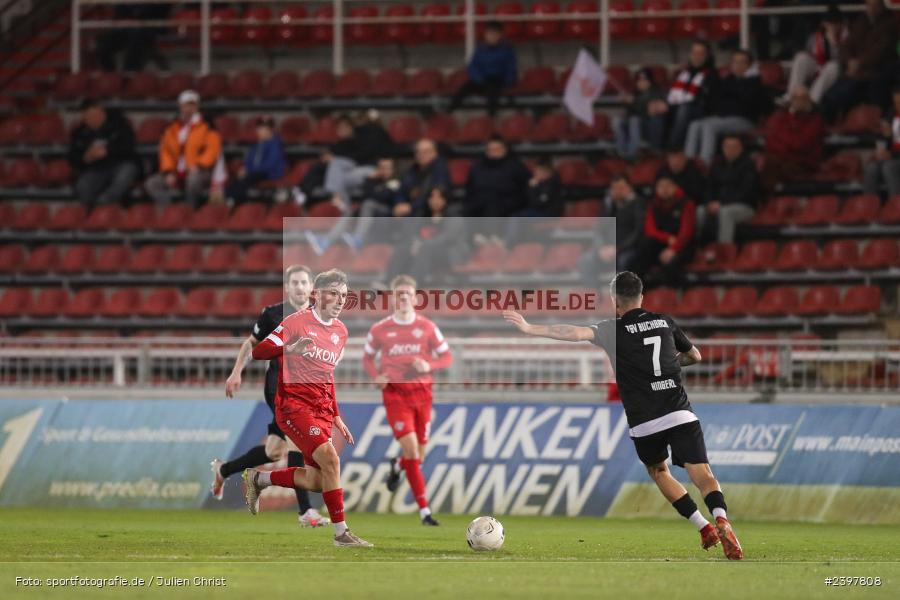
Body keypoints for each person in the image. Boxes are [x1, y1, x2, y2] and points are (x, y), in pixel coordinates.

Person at [502, 271, 743, 561]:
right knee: (703, 474)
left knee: (659, 471)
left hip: (645, 421)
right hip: (679, 412)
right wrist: (673, 365)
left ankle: (702, 527)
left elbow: (574, 333)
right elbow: (696, 356)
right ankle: (720, 518)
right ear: (642, 296)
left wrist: (530, 329)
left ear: (615, 301)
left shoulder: (611, 329)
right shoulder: (665, 322)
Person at [244, 269, 373, 548]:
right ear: (317, 294)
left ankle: (259, 478)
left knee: (317, 480)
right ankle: (342, 534)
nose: (340, 300)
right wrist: (289, 349)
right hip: (293, 406)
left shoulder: (341, 331)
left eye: (344, 295)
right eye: (334, 294)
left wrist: (336, 414)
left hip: (322, 409)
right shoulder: (295, 323)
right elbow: (259, 351)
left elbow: (328, 375)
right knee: (331, 460)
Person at [211, 265, 329, 528]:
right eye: (294, 283)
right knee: (298, 441)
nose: (299, 287)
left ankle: (224, 470)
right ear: (287, 288)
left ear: (312, 288)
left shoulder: (319, 316)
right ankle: (305, 511)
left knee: (274, 451)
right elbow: (251, 344)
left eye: (303, 282)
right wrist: (236, 372)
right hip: (278, 388)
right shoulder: (273, 314)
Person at [363, 275, 453, 526]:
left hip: (423, 397)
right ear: (393, 298)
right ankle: (425, 512)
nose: (403, 298)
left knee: (418, 457)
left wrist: (429, 364)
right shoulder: (380, 329)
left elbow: (447, 357)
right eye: (399, 294)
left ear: (415, 298)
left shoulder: (427, 327)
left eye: (407, 294)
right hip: (396, 396)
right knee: (413, 451)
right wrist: (376, 376)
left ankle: (397, 465)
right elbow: (367, 358)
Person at [685, 49, 769, 167]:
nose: (738, 65)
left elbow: (745, 104)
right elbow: (717, 102)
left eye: (742, 62)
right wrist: (731, 100)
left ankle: (704, 165)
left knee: (709, 126)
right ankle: (688, 164)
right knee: (694, 125)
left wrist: (731, 100)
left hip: (744, 120)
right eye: (735, 62)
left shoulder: (754, 82)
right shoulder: (727, 80)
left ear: (749, 65)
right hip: (723, 117)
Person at [821, 0, 898, 123]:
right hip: (855, 71)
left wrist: (859, 63)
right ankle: (827, 124)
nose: (872, 8)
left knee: (845, 91)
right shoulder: (860, 22)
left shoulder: (890, 24)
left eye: (875, 5)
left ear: (882, 6)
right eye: (869, 5)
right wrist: (850, 61)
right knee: (831, 94)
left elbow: (880, 50)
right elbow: (847, 45)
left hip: (873, 71)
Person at [144, 90, 223, 207]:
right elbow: (166, 151)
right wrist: (168, 172)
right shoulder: (172, 128)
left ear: (197, 106)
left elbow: (212, 149)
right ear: (180, 106)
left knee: (193, 180)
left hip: (199, 171)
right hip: (176, 171)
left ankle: (189, 211)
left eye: (192, 104)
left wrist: (199, 166)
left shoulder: (207, 125)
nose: (188, 108)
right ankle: (166, 211)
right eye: (186, 104)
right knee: (151, 183)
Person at [381, 187, 468, 286]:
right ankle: (390, 283)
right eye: (432, 197)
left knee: (425, 248)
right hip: (426, 251)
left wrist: (423, 244)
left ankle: (412, 285)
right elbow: (415, 234)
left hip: (449, 253)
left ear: (445, 199)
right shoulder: (424, 216)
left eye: (438, 197)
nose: (434, 201)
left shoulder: (454, 216)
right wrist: (415, 244)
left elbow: (448, 238)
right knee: (403, 248)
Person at [68, 98, 139, 207]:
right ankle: (91, 212)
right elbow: (73, 156)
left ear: (101, 111)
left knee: (125, 174)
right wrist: (86, 157)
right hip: (96, 168)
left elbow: (129, 146)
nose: (90, 120)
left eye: (93, 115)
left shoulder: (119, 125)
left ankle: (103, 205)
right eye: (87, 117)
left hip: (121, 163)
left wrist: (107, 151)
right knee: (83, 185)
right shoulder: (80, 133)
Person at [578, 173, 644, 285]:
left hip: (627, 248)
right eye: (614, 188)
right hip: (607, 248)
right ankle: (596, 293)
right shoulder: (608, 205)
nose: (617, 191)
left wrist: (618, 248)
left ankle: (622, 296)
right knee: (585, 260)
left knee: (623, 261)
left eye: (621, 188)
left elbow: (637, 232)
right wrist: (601, 247)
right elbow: (599, 229)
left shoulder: (638, 203)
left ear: (629, 188)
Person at [464, 135, 531, 243]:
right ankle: (472, 240)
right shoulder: (477, 166)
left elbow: (525, 189)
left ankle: (492, 236)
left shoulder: (516, 166)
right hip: (480, 202)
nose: (494, 152)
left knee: (492, 201)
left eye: (497, 149)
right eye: (491, 150)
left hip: (508, 202)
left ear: (505, 149)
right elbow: (470, 189)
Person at [760, 86, 826, 194]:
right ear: (791, 100)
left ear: (809, 99)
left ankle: (766, 201)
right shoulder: (780, 116)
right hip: (781, 160)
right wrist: (788, 141)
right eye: (796, 98)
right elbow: (769, 142)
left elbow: (801, 144)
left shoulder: (815, 120)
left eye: (803, 98)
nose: (799, 101)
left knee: (771, 165)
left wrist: (781, 137)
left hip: (803, 163)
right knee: (764, 164)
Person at [632, 175, 696, 286]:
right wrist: (667, 238)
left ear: (675, 187)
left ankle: (672, 294)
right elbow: (650, 230)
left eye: (668, 185)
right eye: (661, 186)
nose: (664, 189)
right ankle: (638, 289)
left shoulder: (686, 204)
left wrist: (673, 249)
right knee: (644, 245)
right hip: (663, 244)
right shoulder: (653, 204)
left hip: (682, 245)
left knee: (672, 264)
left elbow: (686, 233)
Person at [701, 135, 761, 244]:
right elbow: (709, 188)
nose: (730, 149)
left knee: (725, 212)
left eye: (734, 147)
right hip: (717, 205)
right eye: (727, 146)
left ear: (741, 148)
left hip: (744, 206)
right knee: (699, 211)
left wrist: (722, 203)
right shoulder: (717, 165)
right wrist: (709, 203)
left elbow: (746, 193)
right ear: (722, 148)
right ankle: (696, 249)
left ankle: (724, 250)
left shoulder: (748, 166)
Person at [449, 21, 518, 116]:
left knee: (492, 93)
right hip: (481, 80)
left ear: (500, 35)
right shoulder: (480, 49)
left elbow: (510, 68)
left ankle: (491, 118)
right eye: (489, 34)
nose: (491, 37)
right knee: (464, 88)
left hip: (496, 80)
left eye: (494, 34)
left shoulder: (507, 50)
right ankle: (448, 112)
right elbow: (472, 66)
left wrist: (508, 82)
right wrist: (479, 79)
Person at [781, 5, 845, 104]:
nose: (833, 26)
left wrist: (835, 44)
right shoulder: (815, 36)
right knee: (801, 57)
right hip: (817, 67)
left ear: (841, 24)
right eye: (830, 23)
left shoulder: (846, 37)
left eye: (836, 23)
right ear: (824, 24)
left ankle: (812, 100)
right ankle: (791, 96)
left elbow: (843, 60)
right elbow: (808, 54)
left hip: (832, 71)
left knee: (833, 67)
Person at [666, 40, 717, 148]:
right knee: (658, 110)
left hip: (701, 110)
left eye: (700, 53)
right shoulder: (684, 73)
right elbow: (673, 95)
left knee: (684, 109)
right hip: (681, 106)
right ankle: (656, 151)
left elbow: (706, 100)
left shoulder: (712, 74)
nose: (696, 56)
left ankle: (673, 148)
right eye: (694, 53)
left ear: (707, 56)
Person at [225, 116, 286, 204]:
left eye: (264, 128)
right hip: (255, 173)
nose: (261, 131)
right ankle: (231, 202)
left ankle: (237, 203)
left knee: (245, 180)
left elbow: (270, 165)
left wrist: (249, 170)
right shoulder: (256, 146)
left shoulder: (275, 144)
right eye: (260, 128)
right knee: (235, 181)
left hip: (269, 174)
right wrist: (245, 169)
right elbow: (248, 161)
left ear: (271, 129)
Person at [505, 157, 563, 244]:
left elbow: (539, 203)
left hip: (549, 214)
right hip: (536, 212)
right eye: (536, 171)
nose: (537, 174)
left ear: (549, 172)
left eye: (540, 171)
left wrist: (533, 188)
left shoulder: (552, 185)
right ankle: (512, 241)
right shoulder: (539, 183)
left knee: (518, 218)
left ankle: (510, 242)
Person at [614, 68, 667, 161]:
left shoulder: (656, 92)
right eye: (639, 80)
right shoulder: (634, 93)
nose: (642, 83)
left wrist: (633, 101)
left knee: (634, 120)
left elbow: (649, 110)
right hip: (633, 126)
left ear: (650, 81)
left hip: (647, 127)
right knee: (618, 120)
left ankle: (631, 153)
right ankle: (621, 152)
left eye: (644, 80)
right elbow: (631, 112)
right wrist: (624, 102)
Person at [399, 138, 451, 217]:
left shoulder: (440, 167)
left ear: (435, 153)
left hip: (425, 209)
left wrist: (411, 207)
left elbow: (436, 192)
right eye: (418, 152)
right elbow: (402, 190)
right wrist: (399, 204)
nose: (421, 155)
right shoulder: (412, 170)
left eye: (426, 152)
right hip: (410, 209)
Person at [863, 87, 900, 197]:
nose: (898, 106)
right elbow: (881, 137)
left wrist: (892, 154)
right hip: (890, 156)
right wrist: (884, 140)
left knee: (889, 167)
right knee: (871, 168)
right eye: (896, 103)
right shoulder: (891, 114)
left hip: (896, 157)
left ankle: (895, 204)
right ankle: (869, 205)